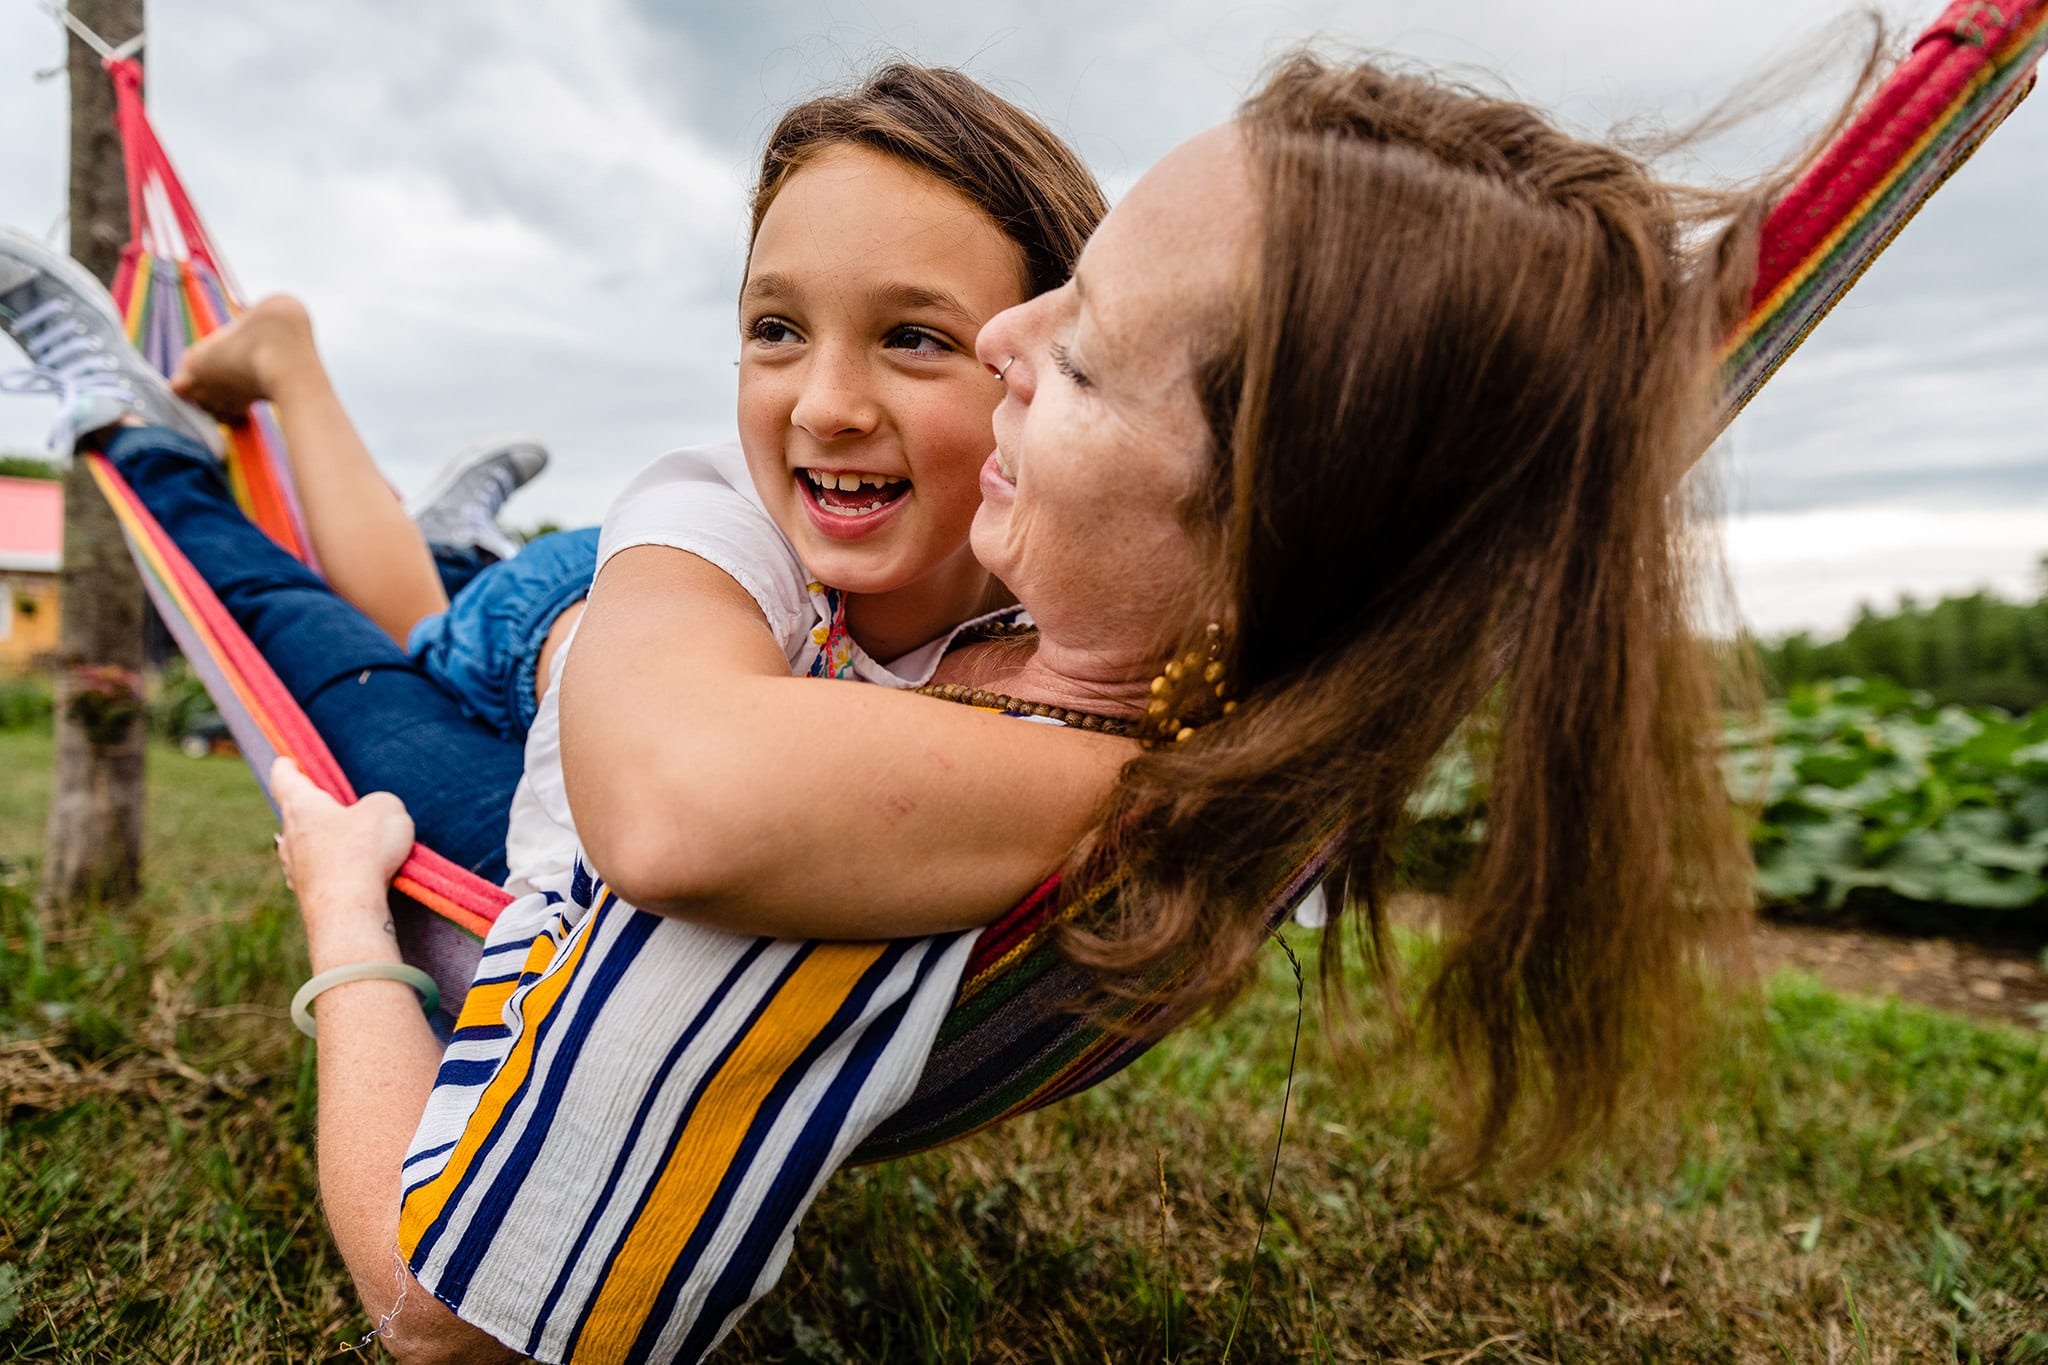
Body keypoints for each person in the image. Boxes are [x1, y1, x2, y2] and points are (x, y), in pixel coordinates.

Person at [15, 48, 1777, 1363]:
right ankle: (464, 522)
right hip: (617, 600)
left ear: (1261, 528)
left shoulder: (910, 796)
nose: (1018, 342)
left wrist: (344, 915)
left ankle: (144, 437)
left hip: (572, 718)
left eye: (1072, 351)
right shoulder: (1102, 640)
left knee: (315, 646)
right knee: (447, 618)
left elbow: (436, 1308)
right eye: (1041, 308)